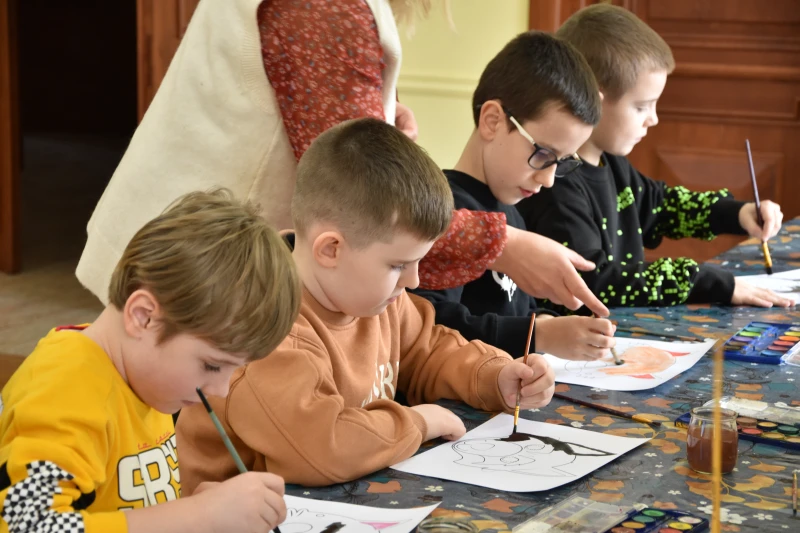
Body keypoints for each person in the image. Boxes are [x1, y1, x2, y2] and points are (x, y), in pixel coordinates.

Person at [75, 0, 608, 318]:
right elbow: (367, 196)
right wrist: (503, 245)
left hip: (203, 248)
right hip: (199, 266)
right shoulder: (325, 8)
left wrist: (376, 114)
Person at [175, 118, 556, 491]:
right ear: (331, 249)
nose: (414, 281)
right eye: (398, 265)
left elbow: (428, 351)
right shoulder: (262, 330)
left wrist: (494, 377)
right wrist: (418, 423)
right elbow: (325, 449)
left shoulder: (378, 299)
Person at [0, 190, 301, 532]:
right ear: (143, 317)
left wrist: (192, 514)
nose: (220, 389)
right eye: (212, 365)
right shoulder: (64, 390)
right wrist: (196, 516)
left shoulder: (146, 380)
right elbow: (26, 525)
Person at [519, 4, 793, 309]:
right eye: (641, 107)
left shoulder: (611, 162)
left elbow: (661, 206)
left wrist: (737, 214)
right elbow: (595, 281)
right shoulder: (556, 184)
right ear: (592, 99)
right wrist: (703, 281)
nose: (653, 119)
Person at [412, 31, 615, 361]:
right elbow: (430, 326)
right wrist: (537, 336)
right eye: (543, 154)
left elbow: (516, 309)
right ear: (492, 121)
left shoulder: (512, 210)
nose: (548, 179)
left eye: (563, 162)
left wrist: (546, 322)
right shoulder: (442, 212)